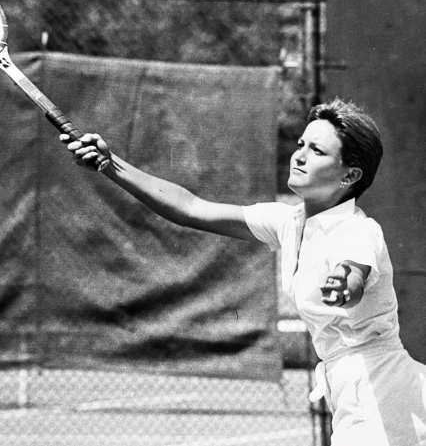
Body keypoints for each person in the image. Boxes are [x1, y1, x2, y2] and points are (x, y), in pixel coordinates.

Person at [62, 98, 426, 446]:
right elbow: (191, 208)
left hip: (386, 398)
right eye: (302, 143)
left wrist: (345, 286)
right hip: (356, 394)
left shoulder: (358, 231)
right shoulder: (289, 222)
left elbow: (354, 273)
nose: (298, 155)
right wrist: (110, 165)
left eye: (317, 151)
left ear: (350, 175)